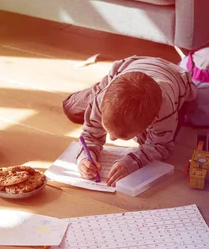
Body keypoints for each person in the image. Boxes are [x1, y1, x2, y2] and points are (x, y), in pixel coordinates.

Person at [62, 56, 197, 186]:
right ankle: (103, 85)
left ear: (152, 122)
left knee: (151, 142)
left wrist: (131, 163)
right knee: (71, 108)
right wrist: (85, 157)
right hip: (126, 68)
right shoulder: (102, 99)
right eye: (106, 127)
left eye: (122, 137)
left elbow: (160, 147)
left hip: (174, 78)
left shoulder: (165, 110)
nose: (112, 138)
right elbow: (89, 136)